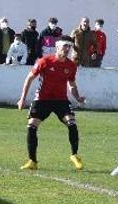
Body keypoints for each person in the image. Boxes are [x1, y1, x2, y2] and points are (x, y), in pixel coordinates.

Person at [16, 39, 87, 172]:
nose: (67, 49)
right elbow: (29, 78)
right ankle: (32, 161)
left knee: (72, 123)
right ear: (57, 46)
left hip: (61, 100)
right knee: (32, 126)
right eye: (65, 46)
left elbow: (71, 84)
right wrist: (22, 99)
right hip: (42, 99)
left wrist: (78, 97)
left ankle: (75, 155)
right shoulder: (45, 61)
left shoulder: (72, 65)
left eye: (69, 46)